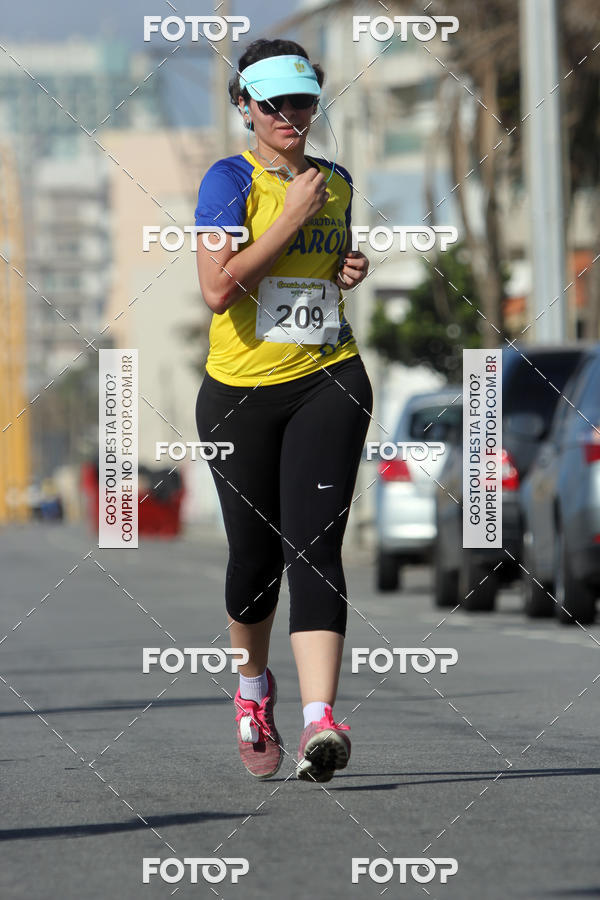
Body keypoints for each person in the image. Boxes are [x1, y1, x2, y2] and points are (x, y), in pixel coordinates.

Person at [193, 37, 373, 783]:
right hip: (239, 396)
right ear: (245, 107)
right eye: (273, 105)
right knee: (255, 561)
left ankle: (320, 721)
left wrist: (348, 266)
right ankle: (253, 691)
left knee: (315, 548)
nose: (290, 116)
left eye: (301, 101)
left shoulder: (336, 180)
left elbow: (327, 269)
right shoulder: (227, 182)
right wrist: (291, 219)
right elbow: (218, 287)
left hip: (329, 377)